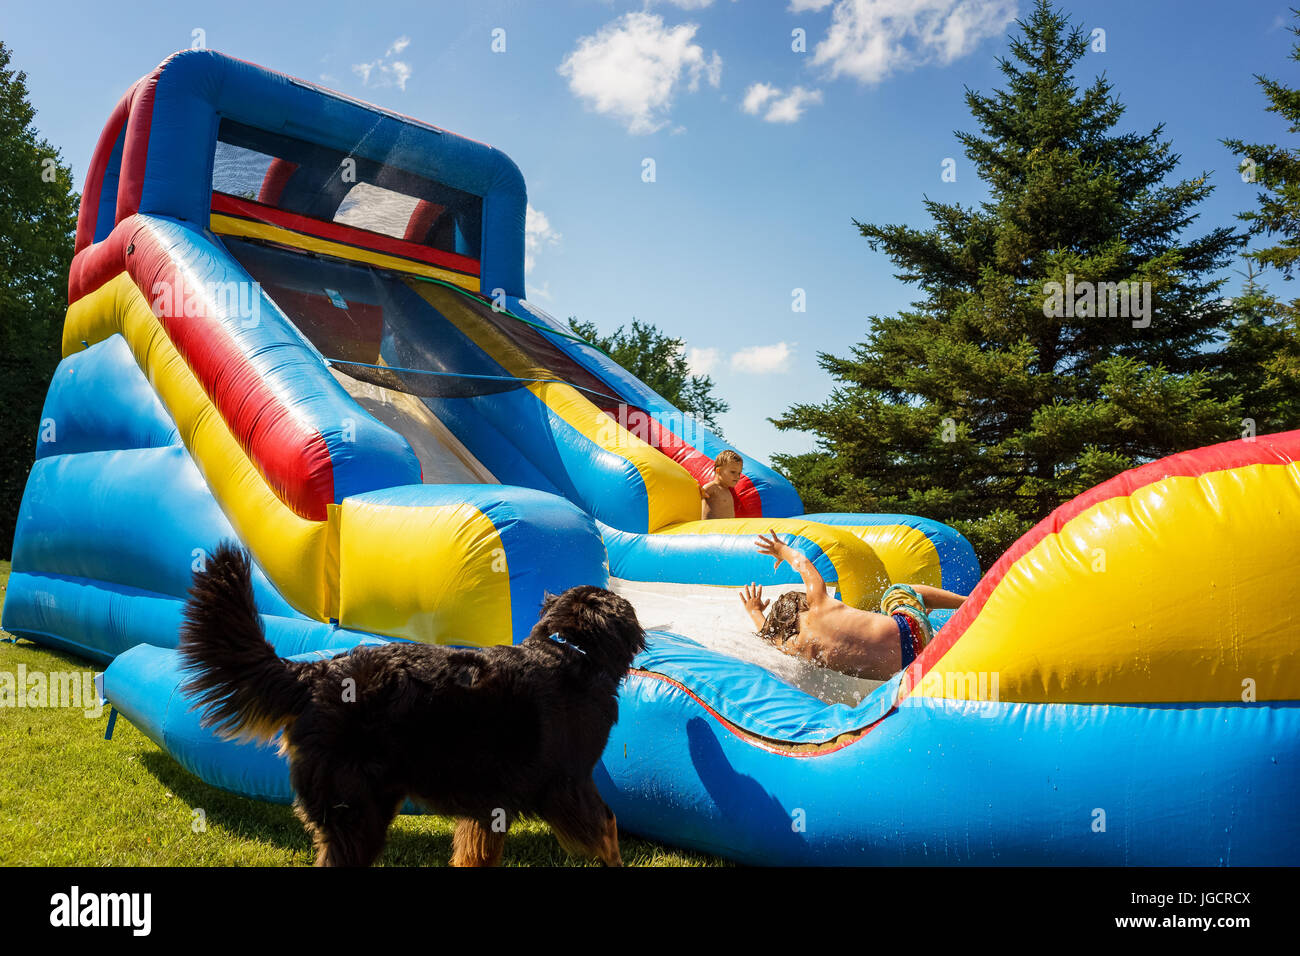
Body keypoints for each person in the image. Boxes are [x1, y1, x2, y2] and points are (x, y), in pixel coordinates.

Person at [738, 530, 967, 680]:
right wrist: (781, 550)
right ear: (802, 604)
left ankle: (922, 616)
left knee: (891, 616)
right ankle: (968, 603)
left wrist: (755, 611)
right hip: (911, 631)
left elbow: (767, 635)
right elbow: (803, 563)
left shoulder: (793, 645)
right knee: (897, 592)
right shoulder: (817, 604)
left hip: (908, 671)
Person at [700, 450, 743, 519]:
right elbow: (696, 497)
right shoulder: (712, 488)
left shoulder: (728, 491)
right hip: (711, 528)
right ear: (718, 471)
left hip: (725, 529)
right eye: (733, 472)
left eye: (739, 473)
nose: (737, 477)